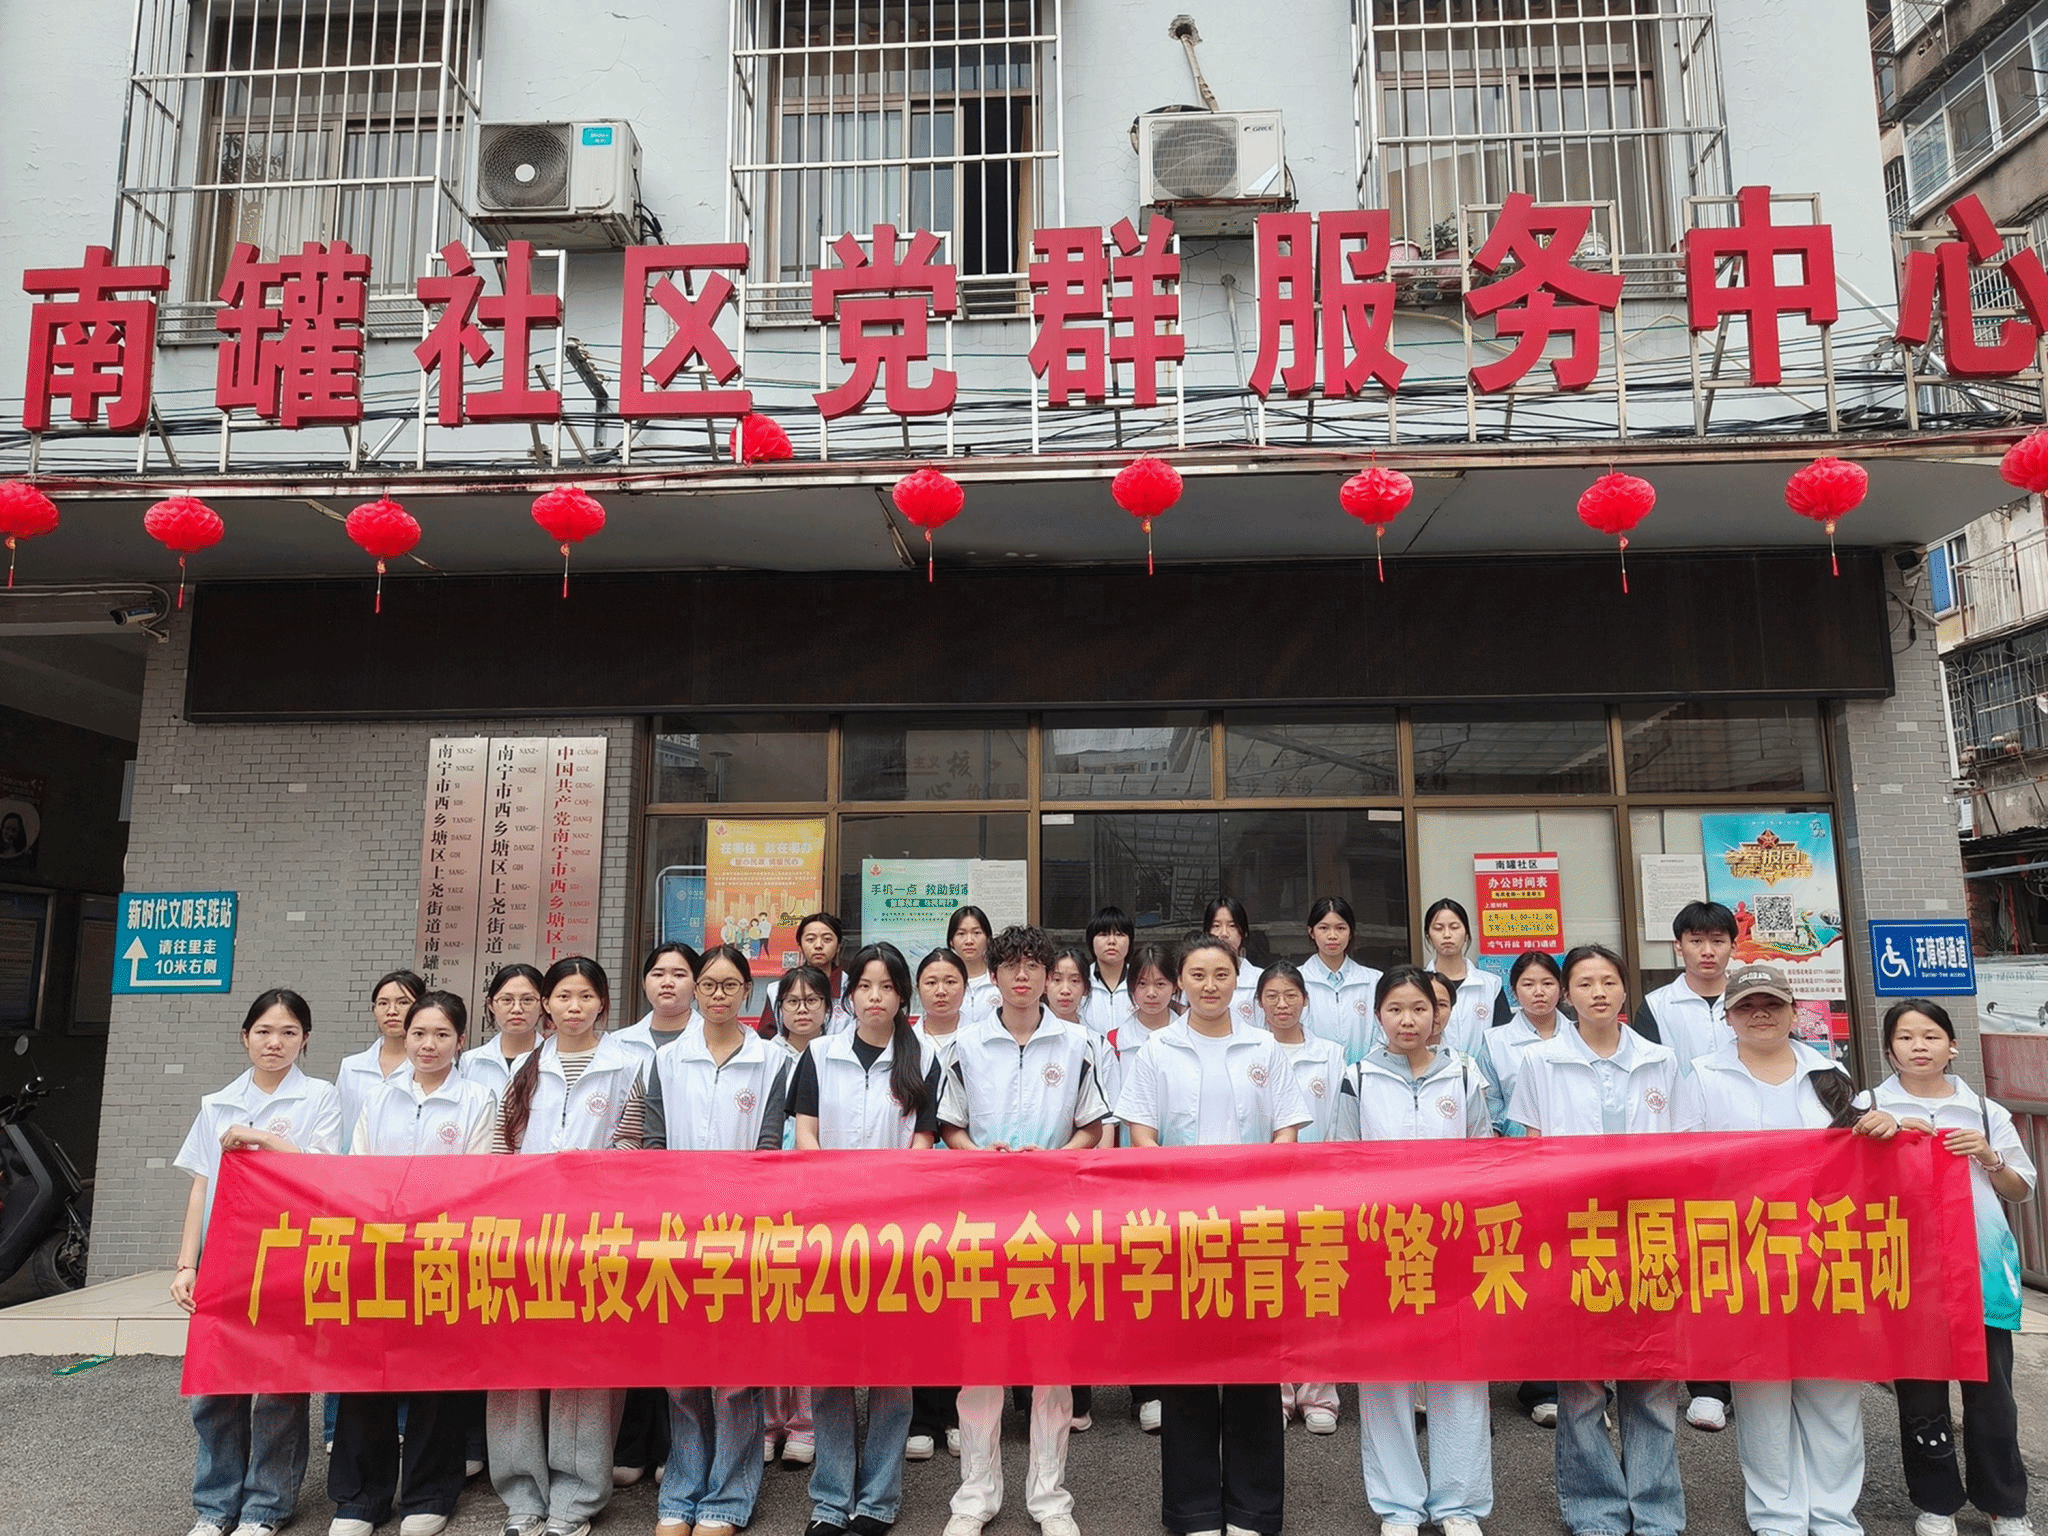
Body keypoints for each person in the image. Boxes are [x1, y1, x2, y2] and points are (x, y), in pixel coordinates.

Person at [1674, 964, 1900, 1536]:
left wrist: (1884, 1127)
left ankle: (1833, 1514)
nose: (1761, 1014)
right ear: (1728, 1016)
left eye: (1772, 1004)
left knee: (1832, 1388)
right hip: (1743, 1254)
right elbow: (1682, 1165)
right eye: (1747, 1006)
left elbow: (1860, 1156)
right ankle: (1777, 1515)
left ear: (1793, 1011)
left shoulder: (1830, 1075)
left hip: (1825, 1253)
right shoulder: (1701, 1075)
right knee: (1761, 1389)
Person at [1116, 934, 1310, 1536]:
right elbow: (1141, 1134)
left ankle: (1254, 1509)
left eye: (1221, 974)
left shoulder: (1264, 1046)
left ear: (1236, 979)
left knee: (1254, 1367)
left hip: (1254, 1228)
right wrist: (1180, 1196)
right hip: (1182, 1229)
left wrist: (1258, 1192)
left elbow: (1287, 1131)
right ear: (1180, 981)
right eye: (1197, 974)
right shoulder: (1157, 1049)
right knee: (1188, 1371)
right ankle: (1193, 1509)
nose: (1209, 985)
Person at [1507, 944, 1687, 1536]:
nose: (1598, 993)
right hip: (1574, 1233)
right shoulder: (1540, 1061)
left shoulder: (1661, 1060)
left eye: (1608, 981)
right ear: (1567, 995)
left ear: (1625, 989)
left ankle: (1656, 1512)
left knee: (1652, 1378)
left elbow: (1685, 1148)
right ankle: (1595, 1511)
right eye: (1584, 983)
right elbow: (1533, 1149)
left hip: (1649, 1232)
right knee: (1582, 1384)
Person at [937, 925, 1107, 1536]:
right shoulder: (965, 1045)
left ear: (1048, 977)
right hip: (981, 1220)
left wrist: (1056, 1158)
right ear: (995, 975)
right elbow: (949, 1124)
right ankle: (975, 1495)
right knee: (980, 1362)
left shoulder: (1079, 1043)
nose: (1022, 976)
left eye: (1034, 966)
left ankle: (1050, 1497)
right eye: (1011, 966)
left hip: (1054, 1221)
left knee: (1051, 1364)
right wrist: (980, 1155)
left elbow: (1092, 1126)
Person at [1862, 999, 2037, 1536]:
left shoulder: (1984, 1111)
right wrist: (1873, 1136)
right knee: (1920, 1394)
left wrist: (1989, 1156)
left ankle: (2004, 1504)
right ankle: (1935, 1502)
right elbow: (1844, 1180)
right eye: (1906, 1037)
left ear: (1953, 1046)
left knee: (1992, 1394)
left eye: (1931, 1036)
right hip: (1906, 1270)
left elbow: (2021, 1189)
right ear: (1888, 1048)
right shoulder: (1870, 1104)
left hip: (1980, 1270)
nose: (1919, 1046)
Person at [173, 989, 341, 1536]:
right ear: (245, 1036)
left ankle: (265, 1507)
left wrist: (262, 1139)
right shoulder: (217, 1103)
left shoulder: (319, 1097)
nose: (275, 1043)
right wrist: (186, 1264)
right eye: (264, 1031)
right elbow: (201, 1186)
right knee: (213, 1389)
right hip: (223, 1259)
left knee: (277, 1390)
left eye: (289, 1033)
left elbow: (323, 1174)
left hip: (288, 1258)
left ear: (305, 1040)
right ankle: (214, 1506)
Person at [632, 944, 788, 1536]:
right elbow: (652, 1143)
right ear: (696, 992)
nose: (718, 995)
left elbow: (771, 1147)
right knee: (681, 1373)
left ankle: (727, 1496)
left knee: (735, 1376)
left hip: (743, 1234)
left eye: (729, 985)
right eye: (708, 985)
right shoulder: (667, 1059)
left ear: (747, 991)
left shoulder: (772, 1060)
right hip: (677, 1232)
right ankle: (681, 1490)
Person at [1334, 965, 1495, 1536]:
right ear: (1378, 1015)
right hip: (1381, 1245)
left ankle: (1458, 1504)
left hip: (1453, 1245)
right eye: (1396, 1009)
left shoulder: (1465, 1073)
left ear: (1438, 1013)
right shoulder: (1357, 1077)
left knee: (1460, 1371)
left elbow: (1483, 1155)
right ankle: (1398, 1506)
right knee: (1385, 1375)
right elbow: (1343, 1162)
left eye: (1420, 1008)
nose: (1409, 1020)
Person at [329, 992, 497, 1536]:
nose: (428, 1045)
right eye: (419, 1033)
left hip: (442, 1252)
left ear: (460, 1041)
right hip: (379, 1250)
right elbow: (359, 1168)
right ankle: (360, 1498)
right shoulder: (379, 1097)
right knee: (367, 1372)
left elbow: (476, 1177)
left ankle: (429, 1493)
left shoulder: (478, 1099)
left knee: (436, 1375)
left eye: (442, 1035)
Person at [790, 944, 943, 1536]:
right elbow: (805, 1135)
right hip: (828, 1229)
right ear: (848, 995)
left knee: (891, 1371)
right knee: (829, 1369)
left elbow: (923, 1143)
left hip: (895, 1232)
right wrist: (836, 1193)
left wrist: (882, 1200)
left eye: (887, 987)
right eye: (864, 986)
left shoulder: (923, 1056)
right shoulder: (819, 1054)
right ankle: (831, 1500)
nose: (875, 997)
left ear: (902, 995)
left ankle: (877, 1499)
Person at [487, 957, 639, 1536]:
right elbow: (502, 1149)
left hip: (595, 1236)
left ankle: (575, 1499)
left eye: (586, 996)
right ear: (546, 1004)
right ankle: (521, 1497)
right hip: (523, 1237)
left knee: (586, 1362)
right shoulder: (525, 1067)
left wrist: (583, 1180)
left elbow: (634, 1146)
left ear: (603, 1003)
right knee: (515, 1363)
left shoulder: (629, 1067)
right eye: (563, 996)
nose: (574, 1007)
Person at [1632, 898, 1741, 1432]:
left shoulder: (1753, 995)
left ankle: (1752, 1369)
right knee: (1702, 1265)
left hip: (1751, 1148)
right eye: (1696, 941)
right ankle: (1708, 1384)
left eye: (1717, 941)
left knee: (1752, 1266)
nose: (1707, 951)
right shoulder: (1658, 1006)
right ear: (1678, 947)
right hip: (1688, 1150)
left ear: (1732, 946)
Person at [607, 942, 704, 1488]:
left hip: (693, 1207)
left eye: (680, 973)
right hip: (633, 1202)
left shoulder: (710, 1040)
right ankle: (632, 1442)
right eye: (658, 973)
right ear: (643, 982)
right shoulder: (618, 1044)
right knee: (637, 1318)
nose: (668, 982)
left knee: (683, 1325)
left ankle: (674, 1444)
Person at [1477, 949, 1568, 1426]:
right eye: (1528, 984)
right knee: (1534, 1275)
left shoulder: (1581, 1035)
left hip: (1574, 1173)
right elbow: (1488, 1110)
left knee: (1576, 1273)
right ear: (1514, 991)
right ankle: (1539, 1386)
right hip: (1518, 1171)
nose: (1539, 992)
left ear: (1561, 989)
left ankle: (1584, 1383)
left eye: (1547, 983)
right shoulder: (1494, 1042)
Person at [1260, 960, 1346, 1437]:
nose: (1282, 1004)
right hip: (1265, 1188)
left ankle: (1319, 1393)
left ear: (1305, 1000)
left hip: (1318, 1184)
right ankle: (1275, 1392)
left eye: (1291, 995)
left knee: (1317, 1286)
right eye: (1272, 996)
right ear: (1258, 1003)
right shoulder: (1252, 1051)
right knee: (1271, 1289)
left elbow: (1336, 1120)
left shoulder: (1330, 1054)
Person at [764, 966, 833, 1470]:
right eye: (792, 1001)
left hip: (821, 1196)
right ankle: (769, 1421)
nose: (802, 1009)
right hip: (768, 1194)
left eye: (812, 1000)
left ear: (829, 1008)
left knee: (812, 1308)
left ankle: (807, 1422)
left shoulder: (836, 1056)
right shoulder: (763, 1057)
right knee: (771, 1307)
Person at [335, 968, 422, 1151]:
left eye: (403, 1002)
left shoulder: (428, 1068)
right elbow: (339, 1128)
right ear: (374, 1010)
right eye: (383, 1003)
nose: (392, 1011)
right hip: (355, 1164)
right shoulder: (352, 1067)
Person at [1298, 896, 1384, 1063]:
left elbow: (1383, 1034)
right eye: (1323, 928)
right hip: (1313, 1072)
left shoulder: (1374, 981)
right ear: (1311, 932)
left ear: (1350, 932)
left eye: (1340, 928)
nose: (1332, 936)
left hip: (1364, 1073)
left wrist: (1362, 1070)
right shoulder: (1297, 981)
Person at [1420, 899, 1508, 1052]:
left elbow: (1503, 1039)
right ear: (1428, 937)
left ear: (1466, 934)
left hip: (1481, 1067)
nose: (1447, 935)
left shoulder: (1491, 985)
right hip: (1431, 1065)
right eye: (1438, 928)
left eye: (1454, 927)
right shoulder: (1417, 985)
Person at [756, 913, 849, 1036]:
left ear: (838, 947)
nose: (818, 945)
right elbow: (767, 1037)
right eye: (810, 939)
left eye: (827, 939)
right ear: (800, 945)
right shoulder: (778, 989)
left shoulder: (852, 988)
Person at [461, 964, 546, 1096]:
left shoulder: (552, 1060)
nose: (517, 1009)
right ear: (491, 1005)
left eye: (527, 1000)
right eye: (506, 1000)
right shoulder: (470, 1062)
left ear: (543, 1005)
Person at [1203, 896, 1265, 1031]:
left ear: (1244, 932)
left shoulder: (1260, 979)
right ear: (1207, 932)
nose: (1224, 934)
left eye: (1232, 926)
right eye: (1216, 926)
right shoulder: (1194, 978)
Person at [1082, 906, 1137, 1038]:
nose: (1111, 941)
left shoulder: (1140, 981)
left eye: (1119, 934)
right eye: (1103, 934)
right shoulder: (1080, 981)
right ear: (1091, 941)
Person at [947, 906, 999, 1023]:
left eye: (976, 933)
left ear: (988, 938)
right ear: (951, 941)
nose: (969, 941)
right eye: (961, 934)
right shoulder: (944, 983)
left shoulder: (999, 980)